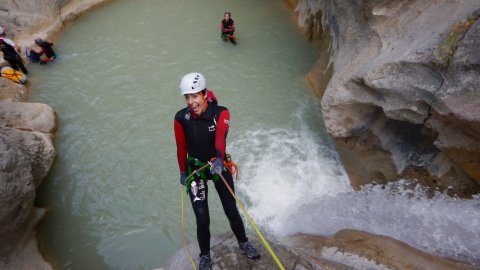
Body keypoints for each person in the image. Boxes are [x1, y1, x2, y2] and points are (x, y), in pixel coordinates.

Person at [174, 72, 260, 269]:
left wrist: (220, 159)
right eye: (187, 97)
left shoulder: (221, 113)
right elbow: (180, 148)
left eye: (194, 96)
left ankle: (244, 242)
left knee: (231, 209)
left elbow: (221, 136)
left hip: (217, 164)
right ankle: (205, 256)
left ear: (204, 94)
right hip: (196, 169)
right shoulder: (181, 118)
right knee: (202, 218)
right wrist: (182, 171)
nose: (190, 101)